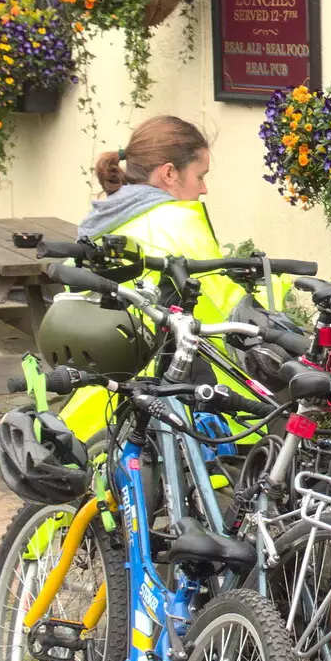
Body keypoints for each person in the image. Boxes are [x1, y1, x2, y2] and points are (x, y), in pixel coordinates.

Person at [55, 115, 288, 438]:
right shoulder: (173, 221)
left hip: (102, 403)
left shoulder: (105, 220)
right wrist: (278, 289)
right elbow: (227, 305)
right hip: (175, 400)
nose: (204, 188)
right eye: (200, 175)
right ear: (168, 173)